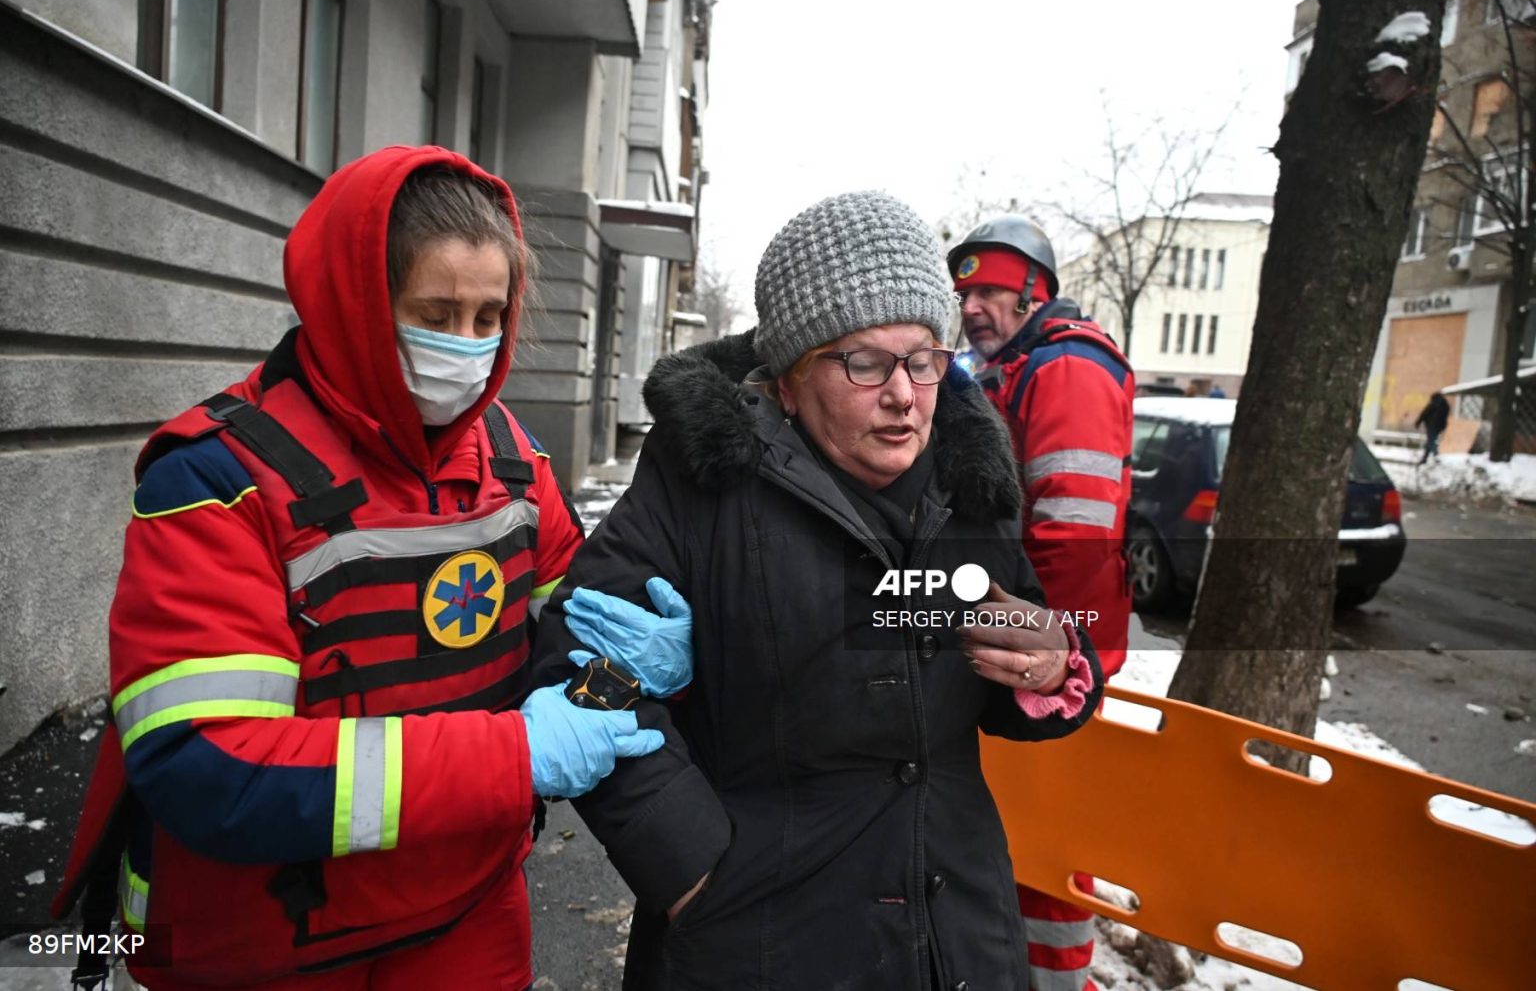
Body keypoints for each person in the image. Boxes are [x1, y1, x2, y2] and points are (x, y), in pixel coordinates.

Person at [52, 146, 685, 990]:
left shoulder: (511, 460)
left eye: (488, 315)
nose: (466, 347)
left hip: (467, 914)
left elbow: (567, 619)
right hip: (266, 942)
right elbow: (214, 768)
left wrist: (634, 651)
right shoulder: (216, 479)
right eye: (436, 311)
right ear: (357, 304)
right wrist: (514, 757)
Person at [530, 191, 1105, 990]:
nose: (905, 395)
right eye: (865, 363)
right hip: (759, 943)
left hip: (957, 940)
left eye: (924, 358)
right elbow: (580, 677)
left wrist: (1049, 665)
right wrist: (695, 872)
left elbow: (1026, 647)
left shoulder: (969, 479)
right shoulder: (703, 481)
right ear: (790, 379)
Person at [948, 214, 1135, 991]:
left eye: (991, 290)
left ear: (1034, 293)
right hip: (1023, 649)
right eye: (966, 292)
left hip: (1048, 660)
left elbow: (1076, 531)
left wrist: (1051, 661)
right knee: (1017, 844)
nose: (972, 307)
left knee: (1047, 864)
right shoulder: (1010, 369)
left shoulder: (1065, 369)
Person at [1416, 391, 1450, 463]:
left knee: (1431, 441)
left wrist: (1418, 423)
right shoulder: (1446, 405)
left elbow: (1424, 413)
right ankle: (1424, 459)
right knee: (1430, 441)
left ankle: (1436, 455)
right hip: (1440, 427)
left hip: (1432, 426)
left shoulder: (1433, 404)